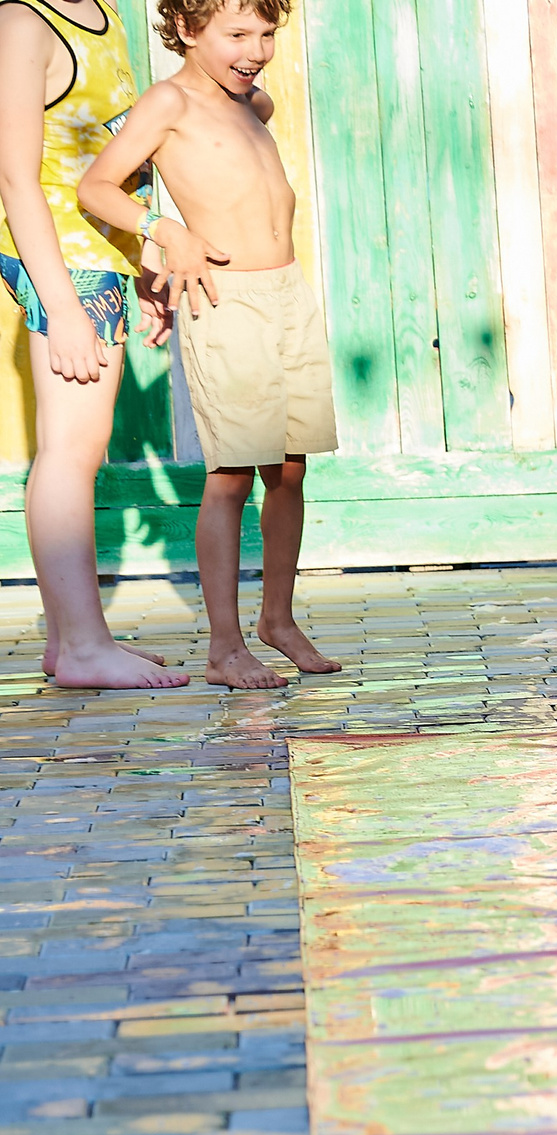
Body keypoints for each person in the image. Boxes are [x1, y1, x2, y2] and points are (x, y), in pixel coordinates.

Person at [80, 0, 337, 689]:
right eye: (236, 35)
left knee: (290, 468)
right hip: (226, 303)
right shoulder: (168, 102)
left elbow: (257, 129)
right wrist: (166, 234)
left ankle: (276, 619)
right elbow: (96, 186)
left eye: (267, 33)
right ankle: (225, 647)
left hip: (287, 294)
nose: (255, 48)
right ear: (188, 31)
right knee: (230, 475)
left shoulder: (249, 104)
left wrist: (250, 90)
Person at [0, 0, 187, 688]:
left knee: (82, 447)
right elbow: (16, 176)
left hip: (96, 258)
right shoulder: (22, 23)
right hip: (64, 266)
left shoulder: (102, 14)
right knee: (70, 449)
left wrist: (138, 262)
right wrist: (63, 307)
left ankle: (72, 639)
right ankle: (81, 646)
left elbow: (109, 154)